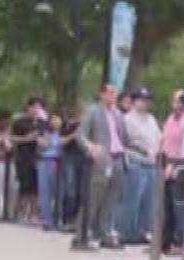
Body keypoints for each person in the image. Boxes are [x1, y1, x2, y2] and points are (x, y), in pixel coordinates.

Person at [75, 84, 127, 249]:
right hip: (101, 159)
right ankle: (82, 234)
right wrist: (90, 146)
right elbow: (80, 134)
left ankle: (104, 233)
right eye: (109, 93)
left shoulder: (119, 114)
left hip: (118, 158)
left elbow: (124, 137)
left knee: (110, 200)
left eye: (114, 93)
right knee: (93, 197)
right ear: (102, 94)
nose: (112, 96)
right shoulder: (93, 111)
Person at [120, 87, 162, 246]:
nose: (145, 103)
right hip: (136, 160)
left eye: (147, 100)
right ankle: (127, 231)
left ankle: (142, 231)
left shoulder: (151, 119)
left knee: (149, 200)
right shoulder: (128, 119)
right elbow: (129, 141)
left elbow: (158, 137)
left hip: (152, 163)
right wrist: (145, 151)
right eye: (141, 100)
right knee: (133, 198)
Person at [159, 91, 184, 254]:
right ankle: (165, 241)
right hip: (167, 165)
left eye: (181, 102)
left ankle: (181, 241)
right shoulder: (170, 119)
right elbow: (164, 141)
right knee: (167, 206)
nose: (178, 105)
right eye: (176, 102)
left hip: (182, 165)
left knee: (180, 206)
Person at [9, 97, 43, 225]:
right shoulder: (19, 122)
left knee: (35, 187)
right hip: (23, 156)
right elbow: (11, 138)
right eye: (34, 106)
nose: (36, 110)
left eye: (39, 107)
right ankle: (20, 212)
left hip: (38, 156)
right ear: (28, 107)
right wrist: (26, 138)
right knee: (24, 185)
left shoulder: (42, 122)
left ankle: (33, 213)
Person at [37, 114, 63, 230]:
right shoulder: (45, 132)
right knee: (45, 191)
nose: (56, 122)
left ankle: (58, 217)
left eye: (58, 119)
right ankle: (46, 219)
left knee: (58, 191)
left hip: (59, 162)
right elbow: (43, 145)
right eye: (53, 119)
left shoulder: (63, 133)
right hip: (46, 161)